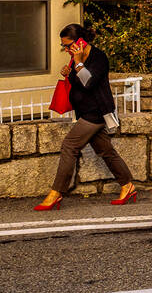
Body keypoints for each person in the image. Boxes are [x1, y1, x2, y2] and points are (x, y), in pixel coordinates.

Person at [34, 23, 137, 211]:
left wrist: (79, 62)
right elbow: (77, 82)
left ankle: (56, 193)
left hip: (96, 112)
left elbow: (89, 82)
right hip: (84, 112)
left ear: (80, 41)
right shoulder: (75, 59)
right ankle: (128, 186)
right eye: (63, 46)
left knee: (69, 145)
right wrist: (69, 72)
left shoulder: (98, 57)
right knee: (106, 151)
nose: (65, 49)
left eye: (68, 45)